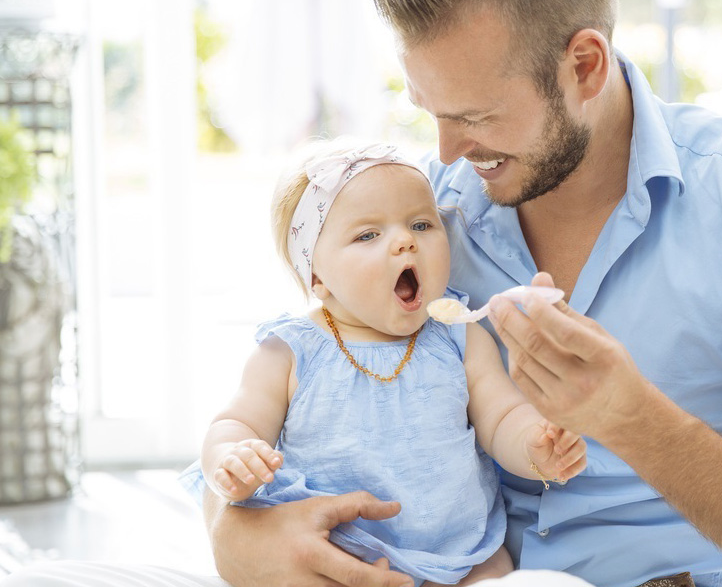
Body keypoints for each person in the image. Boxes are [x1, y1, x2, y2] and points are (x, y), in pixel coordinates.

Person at [3, 0, 722, 587]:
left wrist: (632, 421)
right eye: (427, 110)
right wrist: (238, 537)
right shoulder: (427, 217)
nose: (443, 152)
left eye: (472, 116)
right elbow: (277, 401)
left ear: (584, 65)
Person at [186, 138, 586, 587]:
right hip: (339, 558)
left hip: (462, 557)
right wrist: (232, 457)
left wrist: (535, 446)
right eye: (367, 235)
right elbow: (235, 421)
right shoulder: (291, 350)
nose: (403, 243)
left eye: (420, 224)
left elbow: (502, 416)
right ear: (316, 276)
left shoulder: (459, 335)